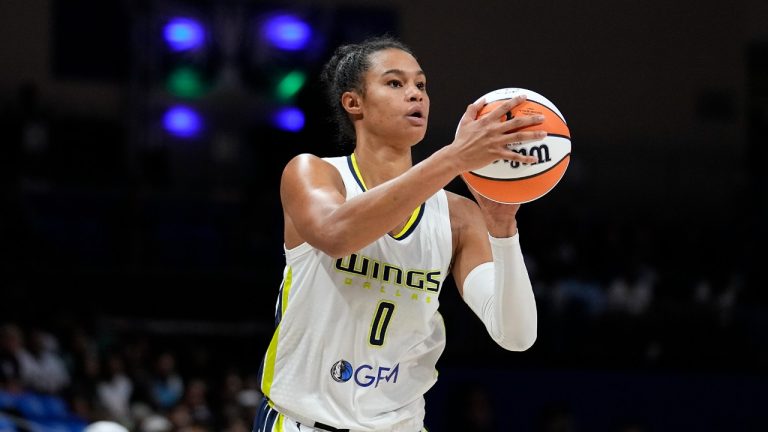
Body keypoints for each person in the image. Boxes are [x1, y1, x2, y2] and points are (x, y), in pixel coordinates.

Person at [253, 34, 543, 432]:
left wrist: (504, 231)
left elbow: (516, 335)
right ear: (353, 102)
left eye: (421, 85)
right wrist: (455, 156)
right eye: (395, 83)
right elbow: (337, 235)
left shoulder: (459, 216)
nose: (416, 95)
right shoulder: (314, 172)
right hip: (303, 422)